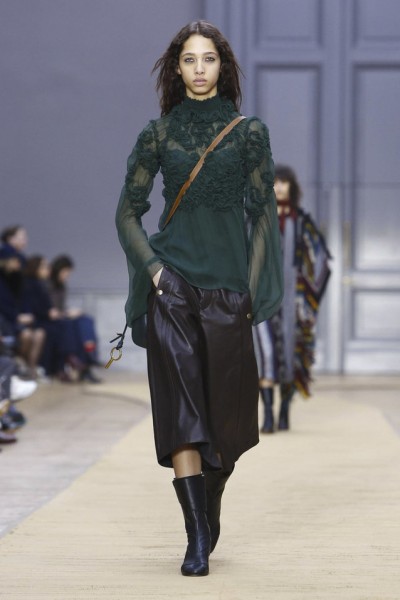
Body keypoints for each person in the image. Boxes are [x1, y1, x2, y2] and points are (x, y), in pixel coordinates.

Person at [116, 21, 283, 577]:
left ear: (223, 66)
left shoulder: (249, 134)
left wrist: (250, 290)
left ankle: (211, 501)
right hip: (174, 287)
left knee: (228, 426)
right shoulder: (159, 135)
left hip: (228, 290)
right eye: (189, 60)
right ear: (176, 69)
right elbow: (127, 213)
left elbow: (263, 218)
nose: (199, 69)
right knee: (182, 410)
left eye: (208, 59)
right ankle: (195, 536)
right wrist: (155, 271)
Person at [253, 165, 331, 433]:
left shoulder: (301, 222)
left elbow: (322, 260)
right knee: (265, 355)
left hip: (292, 304)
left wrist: (308, 296)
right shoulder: (257, 220)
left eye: (284, 182)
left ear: (292, 187)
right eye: (274, 182)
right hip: (262, 301)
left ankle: (284, 411)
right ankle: (267, 415)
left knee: (290, 357)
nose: (279, 187)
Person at [49, 255, 101, 382]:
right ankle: (87, 359)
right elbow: (50, 310)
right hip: (53, 320)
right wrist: (66, 313)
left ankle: (89, 355)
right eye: (66, 272)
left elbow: (60, 307)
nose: (67, 275)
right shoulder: (47, 285)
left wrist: (68, 312)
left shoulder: (61, 286)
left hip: (61, 316)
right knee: (73, 327)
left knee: (86, 320)